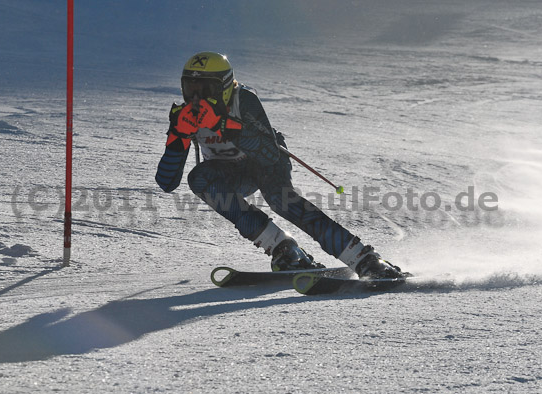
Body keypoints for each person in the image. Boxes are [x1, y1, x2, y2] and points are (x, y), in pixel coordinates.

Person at [155, 51, 407, 279]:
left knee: (280, 199)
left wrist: (222, 123)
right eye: (190, 88)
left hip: (266, 165)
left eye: (205, 89)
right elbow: (167, 183)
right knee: (199, 177)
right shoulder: (183, 115)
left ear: (223, 87)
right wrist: (177, 137)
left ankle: (365, 259)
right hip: (229, 172)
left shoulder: (243, 99)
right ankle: (284, 249)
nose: (197, 98)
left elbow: (268, 155)